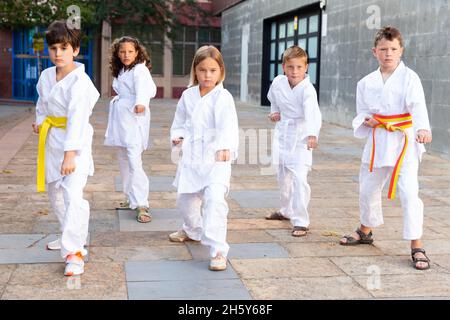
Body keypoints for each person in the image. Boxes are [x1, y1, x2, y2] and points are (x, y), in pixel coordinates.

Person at [339, 26, 432, 271]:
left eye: (393, 49)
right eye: (383, 49)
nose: (388, 53)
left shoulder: (410, 77)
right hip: (378, 141)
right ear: (374, 52)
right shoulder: (365, 82)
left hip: (403, 143)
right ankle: (365, 230)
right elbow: (361, 113)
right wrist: (365, 121)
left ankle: (416, 245)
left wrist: (423, 128)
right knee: (368, 188)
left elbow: (418, 106)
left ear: (401, 50)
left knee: (410, 193)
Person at [32, 20, 99, 276]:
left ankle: (75, 252)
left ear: (75, 49)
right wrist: (40, 121)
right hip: (52, 140)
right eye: (53, 48)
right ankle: (68, 234)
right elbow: (42, 103)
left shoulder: (80, 83)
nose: (58, 53)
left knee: (73, 195)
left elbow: (79, 120)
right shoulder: (46, 76)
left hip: (76, 143)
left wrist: (71, 154)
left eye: (64, 47)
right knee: (55, 193)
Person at [168, 45, 239, 271]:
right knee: (186, 200)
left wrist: (225, 147)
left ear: (221, 72)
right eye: (202, 70)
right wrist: (178, 136)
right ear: (195, 71)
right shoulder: (188, 95)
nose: (207, 75)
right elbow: (179, 122)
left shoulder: (223, 97)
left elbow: (228, 126)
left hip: (216, 158)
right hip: (192, 157)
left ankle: (218, 249)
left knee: (215, 201)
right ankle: (192, 230)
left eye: (212, 70)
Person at [265, 45, 322, 237]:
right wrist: (274, 112)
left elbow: (312, 114)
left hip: (301, 135)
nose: (294, 71)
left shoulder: (308, 90)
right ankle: (286, 210)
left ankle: (301, 221)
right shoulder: (278, 83)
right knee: (282, 176)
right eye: (290, 67)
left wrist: (312, 134)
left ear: (306, 67)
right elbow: (273, 99)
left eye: (299, 67)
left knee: (299, 178)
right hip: (282, 133)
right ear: (283, 67)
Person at [104, 36, 156, 223]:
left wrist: (141, 102)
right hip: (121, 117)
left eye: (130, 51)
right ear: (117, 54)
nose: (126, 55)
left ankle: (142, 203)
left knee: (134, 159)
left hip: (134, 115)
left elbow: (146, 88)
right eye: (122, 51)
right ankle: (130, 197)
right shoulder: (122, 70)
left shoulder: (139, 69)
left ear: (137, 52)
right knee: (123, 157)